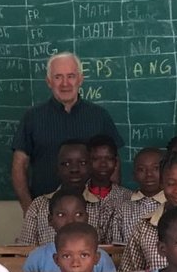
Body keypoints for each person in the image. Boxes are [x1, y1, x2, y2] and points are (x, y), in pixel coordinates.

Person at [11, 51, 122, 210]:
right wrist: (28, 208)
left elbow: (114, 164)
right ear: (49, 81)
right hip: (45, 210)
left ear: (80, 79)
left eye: (70, 76)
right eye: (58, 77)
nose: (65, 83)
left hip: (94, 209)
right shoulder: (32, 117)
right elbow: (19, 166)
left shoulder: (99, 116)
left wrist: (109, 207)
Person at [19, 193, 115, 272]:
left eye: (78, 214)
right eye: (61, 215)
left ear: (87, 218)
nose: (70, 221)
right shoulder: (36, 258)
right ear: (50, 220)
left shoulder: (101, 258)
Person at [18, 140, 100, 245]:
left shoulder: (102, 206)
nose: (74, 169)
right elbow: (24, 250)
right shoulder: (39, 205)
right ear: (57, 169)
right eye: (66, 164)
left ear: (90, 167)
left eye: (82, 163)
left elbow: (108, 252)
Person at [85, 133, 135, 242]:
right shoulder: (78, 196)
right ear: (88, 162)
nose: (103, 164)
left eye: (108, 158)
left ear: (116, 162)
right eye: (96, 158)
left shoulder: (130, 197)